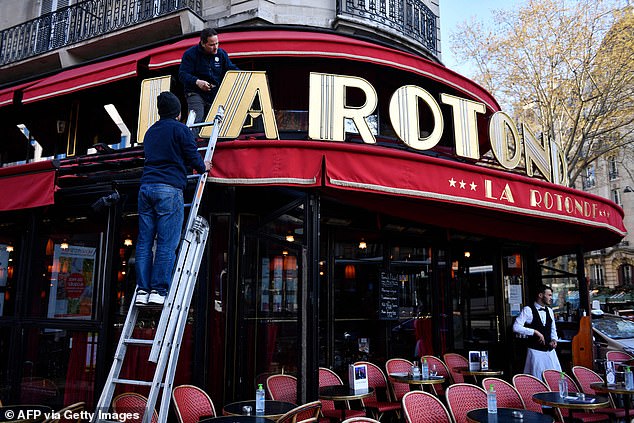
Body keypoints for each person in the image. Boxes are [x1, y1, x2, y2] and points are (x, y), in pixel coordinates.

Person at [135, 91, 211, 306]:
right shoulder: (181, 129)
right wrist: (204, 166)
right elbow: (192, 156)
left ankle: (143, 290)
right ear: (178, 112)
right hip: (169, 188)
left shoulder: (150, 132)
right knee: (167, 242)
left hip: (146, 188)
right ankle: (159, 290)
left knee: (144, 242)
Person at [178, 28, 239, 133]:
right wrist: (197, 82)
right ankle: (192, 144)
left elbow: (230, 68)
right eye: (211, 45)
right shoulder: (190, 54)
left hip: (215, 94)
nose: (215, 48)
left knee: (217, 120)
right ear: (202, 43)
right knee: (196, 118)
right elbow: (182, 75)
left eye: (217, 43)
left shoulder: (221, 54)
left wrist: (244, 73)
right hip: (195, 92)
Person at [513, 284, 562, 377]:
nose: (551, 298)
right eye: (549, 295)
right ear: (540, 295)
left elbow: (553, 329)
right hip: (535, 352)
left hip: (550, 353)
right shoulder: (528, 310)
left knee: (554, 379)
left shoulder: (550, 311)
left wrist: (554, 340)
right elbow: (516, 327)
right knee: (537, 379)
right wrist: (535, 332)